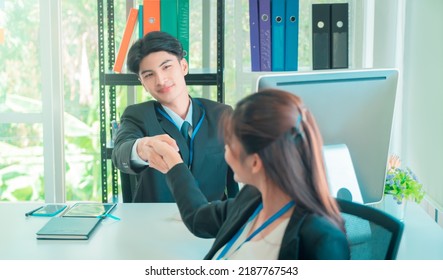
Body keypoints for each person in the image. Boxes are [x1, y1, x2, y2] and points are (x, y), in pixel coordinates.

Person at [148, 88, 350, 260]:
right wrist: (175, 165)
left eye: (229, 146)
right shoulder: (252, 200)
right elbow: (198, 219)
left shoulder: (321, 241)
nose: (225, 153)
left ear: (254, 162)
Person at [112, 31, 238, 202]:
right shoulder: (138, 116)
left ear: (183, 66)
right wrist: (142, 147)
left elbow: (236, 178)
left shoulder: (221, 114)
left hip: (213, 220)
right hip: (156, 222)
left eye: (166, 67)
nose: (161, 80)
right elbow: (120, 153)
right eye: (149, 75)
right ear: (143, 83)